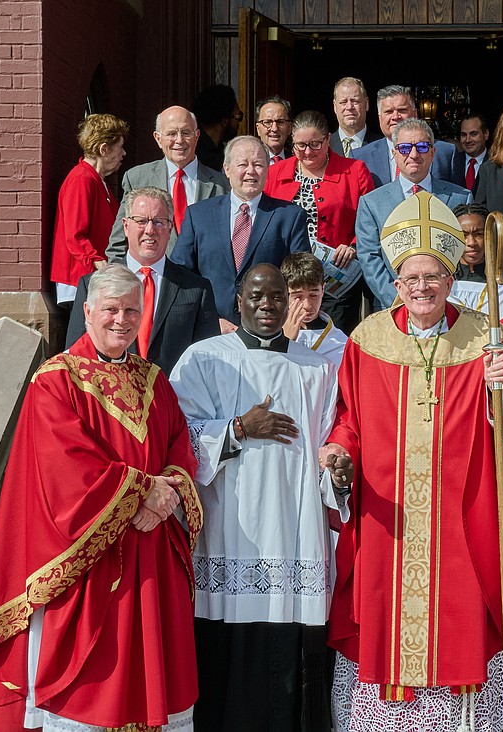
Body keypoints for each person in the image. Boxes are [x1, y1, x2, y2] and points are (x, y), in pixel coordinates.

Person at [323, 195, 503, 732]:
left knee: (467, 616)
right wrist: (338, 452)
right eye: (411, 278)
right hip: (391, 521)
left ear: (452, 279)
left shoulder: (486, 338)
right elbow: (349, 419)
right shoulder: (367, 340)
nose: (422, 287)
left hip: (463, 517)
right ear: (396, 283)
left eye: (433, 276)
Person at [0, 264, 202, 731]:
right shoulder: (55, 382)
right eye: (111, 309)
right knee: (94, 687)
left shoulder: (156, 381)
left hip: (150, 551)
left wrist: (168, 493)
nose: (122, 320)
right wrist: (142, 491)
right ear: (88, 311)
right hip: (88, 563)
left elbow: (179, 447)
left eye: (132, 310)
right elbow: (65, 468)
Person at [169, 263, 347, 731]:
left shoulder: (317, 369)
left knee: (289, 657)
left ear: (290, 302)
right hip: (231, 528)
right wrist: (238, 429)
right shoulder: (205, 359)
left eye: (276, 296)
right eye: (256, 296)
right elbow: (177, 440)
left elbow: (330, 440)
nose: (267, 305)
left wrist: (339, 471)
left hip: (294, 529)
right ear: (238, 301)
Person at [67, 186, 220, 373]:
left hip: (174, 396)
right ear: (125, 226)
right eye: (140, 221)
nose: (150, 230)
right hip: (109, 395)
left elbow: (209, 361)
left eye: (159, 222)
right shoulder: (91, 284)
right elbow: (75, 356)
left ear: (170, 227)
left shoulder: (197, 289)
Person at [170, 135, 309, 330]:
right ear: (226, 169)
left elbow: (299, 279)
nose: (251, 171)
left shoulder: (289, 216)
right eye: (243, 164)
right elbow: (181, 273)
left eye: (258, 164)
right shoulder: (199, 215)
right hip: (211, 329)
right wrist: (209, 319)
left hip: (269, 329)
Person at [265, 110, 376, 334]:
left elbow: (371, 221)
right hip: (289, 282)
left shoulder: (354, 171)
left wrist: (353, 245)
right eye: (300, 145)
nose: (307, 152)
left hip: (337, 281)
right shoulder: (275, 173)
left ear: (328, 140)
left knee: (333, 343)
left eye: (315, 144)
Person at [355, 118, 472, 309]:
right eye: (405, 148)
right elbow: (369, 258)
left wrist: (446, 296)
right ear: (394, 154)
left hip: (448, 305)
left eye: (422, 147)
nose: (414, 154)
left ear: (433, 153)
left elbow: (465, 254)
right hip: (392, 307)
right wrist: (399, 299)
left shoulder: (461, 198)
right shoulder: (371, 203)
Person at [106, 105, 230, 260]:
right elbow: (118, 245)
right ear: (158, 138)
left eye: (186, 133)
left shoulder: (222, 185)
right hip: (153, 279)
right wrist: (123, 282)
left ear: (197, 136)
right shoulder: (137, 179)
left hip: (203, 281)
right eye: (171, 133)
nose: (179, 140)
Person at [50, 112, 129, 306]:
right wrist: (97, 262)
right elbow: (75, 234)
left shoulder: (96, 180)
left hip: (91, 278)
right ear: (104, 149)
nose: (123, 153)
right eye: (120, 147)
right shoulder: (81, 180)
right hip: (80, 280)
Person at [350, 84, 463, 187]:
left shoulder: (446, 152)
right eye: (388, 112)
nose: (395, 116)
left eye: (402, 110)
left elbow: (458, 201)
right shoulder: (360, 158)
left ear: (415, 114)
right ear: (380, 117)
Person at [449, 202, 503, 316]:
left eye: (479, 234)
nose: (471, 243)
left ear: (489, 235)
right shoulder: (444, 284)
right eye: (464, 235)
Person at [281, 251, 349, 367]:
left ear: (323, 289)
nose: (307, 305)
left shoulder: (340, 343)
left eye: (313, 295)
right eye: (297, 296)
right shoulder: (271, 334)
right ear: (285, 293)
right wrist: (283, 342)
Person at [192, 84, 242, 171]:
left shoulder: (220, 150)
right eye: (238, 117)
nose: (239, 123)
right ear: (224, 121)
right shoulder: (193, 152)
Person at [331, 77, 382, 156]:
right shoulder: (324, 146)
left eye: (355, 101)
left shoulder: (382, 146)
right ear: (335, 106)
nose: (349, 107)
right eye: (343, 102)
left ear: (366, 104)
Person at [457, 112, 491, 190]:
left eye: (474, 134)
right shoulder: (453, 162)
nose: (468, 140)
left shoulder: (496, 163)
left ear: (486, 134)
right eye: (463, 135)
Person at [255, 95, 293, 163]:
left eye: (280, 122)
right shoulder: (250, 162)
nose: (274, 129)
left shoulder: (298, 162)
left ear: (289, 128)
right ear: (258, 129)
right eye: (267, 122)